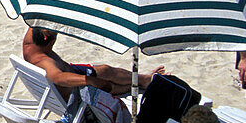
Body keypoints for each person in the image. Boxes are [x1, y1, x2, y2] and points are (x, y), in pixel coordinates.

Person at [23, 27, 162, 101]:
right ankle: (135, 86)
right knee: (109, 86)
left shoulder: (30, 41)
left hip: (69, 70)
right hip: (73, 90)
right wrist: (90, 81)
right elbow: (58, 78)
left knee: (106, 70)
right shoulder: (44, 61)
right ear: (48, 38)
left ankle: (144, 79)